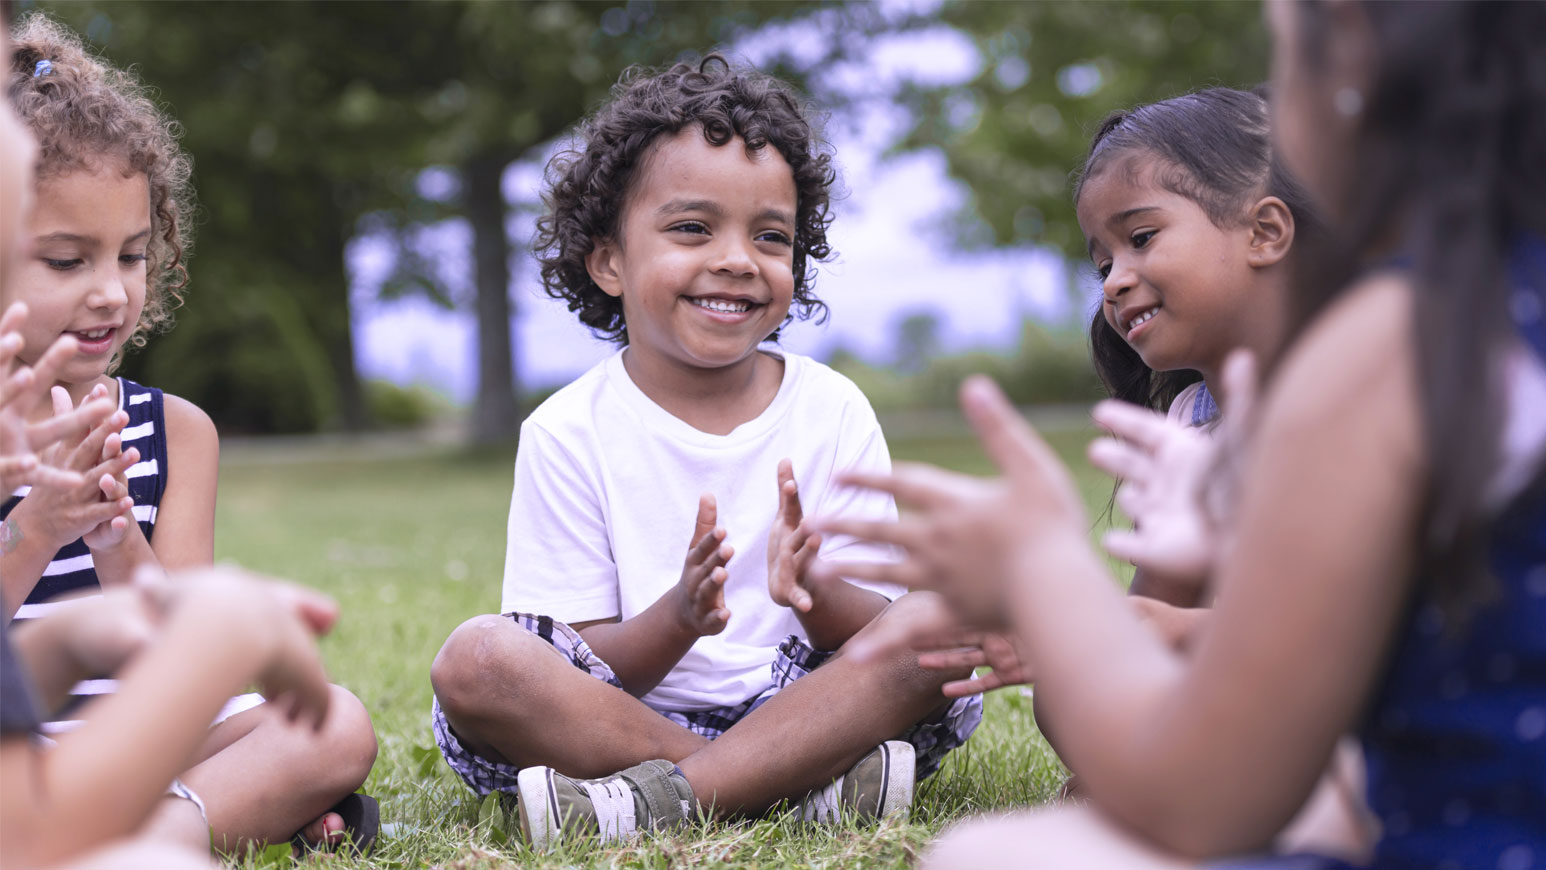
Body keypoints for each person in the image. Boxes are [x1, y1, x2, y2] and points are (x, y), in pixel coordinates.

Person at [812, 0, 1546, 867]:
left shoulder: (1375, 356)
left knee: (986, 855)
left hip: (1449, 829)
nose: (1115, 282)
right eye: (1100, 263)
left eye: (1142, 238)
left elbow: (1209, 796)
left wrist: (1042, 569)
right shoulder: (1482, 317)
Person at [429, 54, 981, 850]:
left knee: (942, 624)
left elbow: (873, 638)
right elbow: (588, 662)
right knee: (478, 659)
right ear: (608, 260)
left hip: (815, 705)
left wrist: (817, 590)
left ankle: (660, 802)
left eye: (770, 236)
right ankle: (788, 788)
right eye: (692, 228)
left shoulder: (831, 409)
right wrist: (680, 618)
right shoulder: (568, 429)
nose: (735, 258)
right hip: (623, 721)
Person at [0, 14, 377, 854]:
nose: (109, 293)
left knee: (335, 724)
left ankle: (168, 828)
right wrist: (38, 527)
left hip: (137, 738)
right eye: (67, 260)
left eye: (130, 256)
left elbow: (179, 659)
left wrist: (113, 540)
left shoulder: (175, 432)